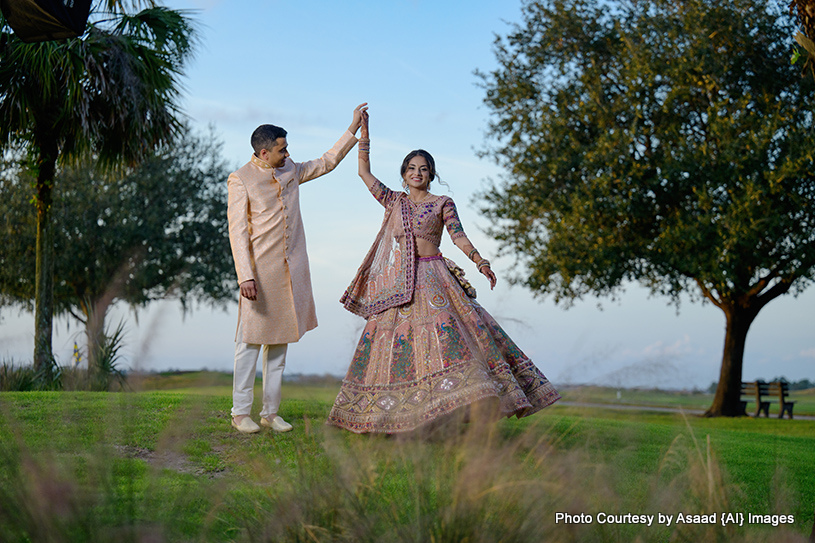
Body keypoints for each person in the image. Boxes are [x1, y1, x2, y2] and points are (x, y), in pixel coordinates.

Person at [327, 109, 560, 434]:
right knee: (395, 348)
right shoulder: (395, 202)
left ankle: (447, 415)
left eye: (423, 169)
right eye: (411, 169)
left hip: (435, 278)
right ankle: (389, 420)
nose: (417, 173)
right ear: (404, 174)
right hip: (399, 286)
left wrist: (480, 261)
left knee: (450, 342)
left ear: (431, 173)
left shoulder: (442, 203)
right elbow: (364, 173)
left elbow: (458, 235)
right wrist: (363, 134)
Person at [228, 103, 367, 434]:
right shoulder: (241, 180)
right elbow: (237, 232)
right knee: (248, 344)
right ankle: (239, 413)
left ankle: (270, 413)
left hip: (290, 274)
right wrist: (244, 275)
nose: (287, 153)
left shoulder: (290, 169)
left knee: (280, 344)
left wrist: (353, 130)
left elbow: (326, 162)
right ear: (263, 152)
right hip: (258, 275)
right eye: (282, 149)